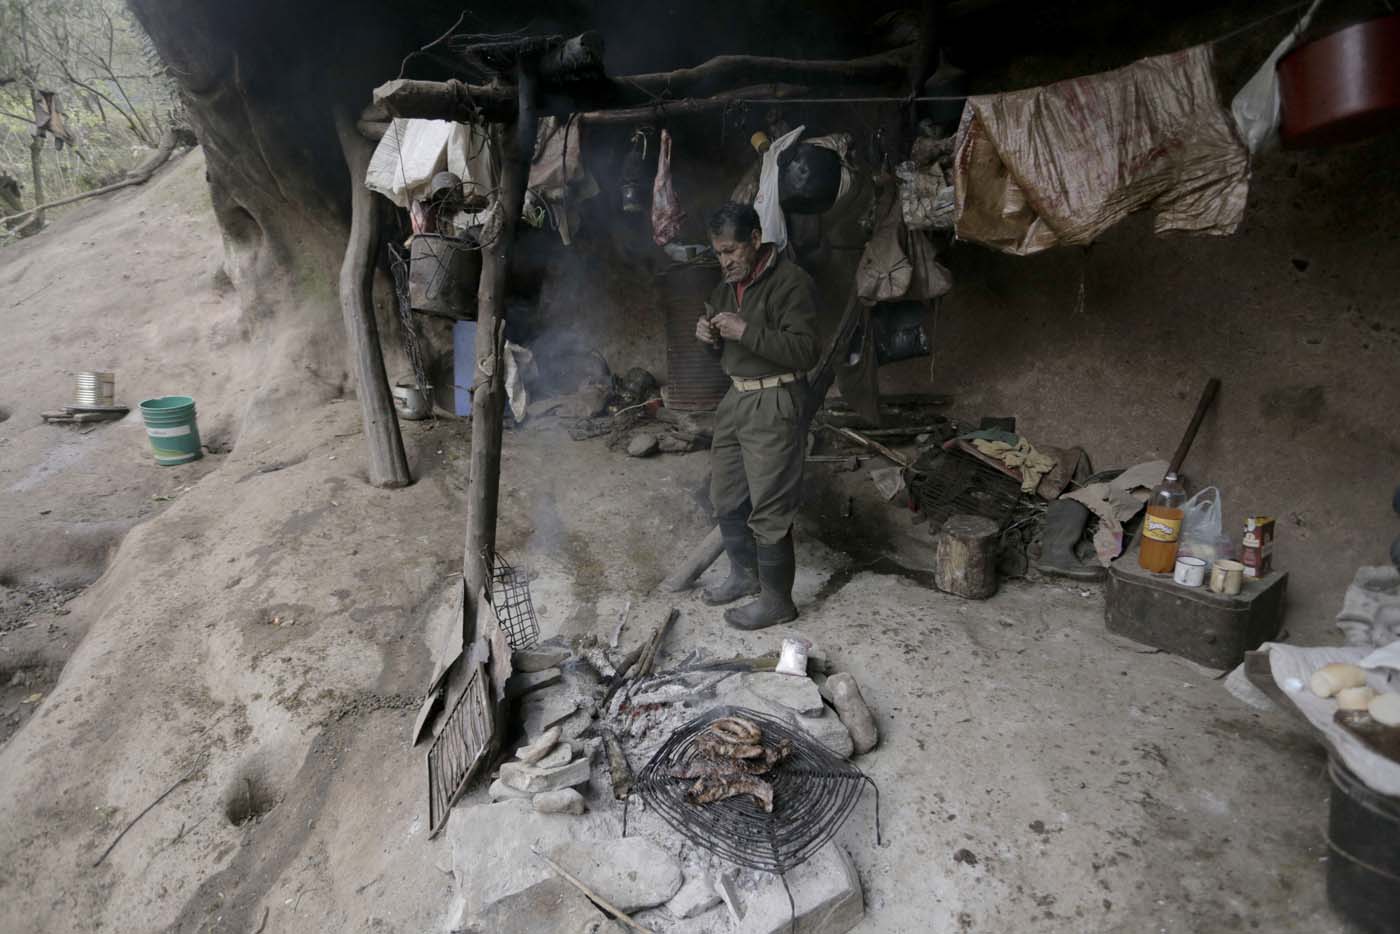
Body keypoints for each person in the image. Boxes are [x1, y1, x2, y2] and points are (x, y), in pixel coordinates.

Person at [694, 202, 820, 629]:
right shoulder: (724, 288)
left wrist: (745, 332)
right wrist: (707, 337)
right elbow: (721, 348)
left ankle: (777, 601)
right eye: (718, 253)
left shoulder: (791, 282)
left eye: (731, 251)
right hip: (736, 398)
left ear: (754, 239)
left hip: (775, 396)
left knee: (769, 505)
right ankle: (744, 576)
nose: (725, 261)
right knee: (725, 495)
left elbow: (805, 351)